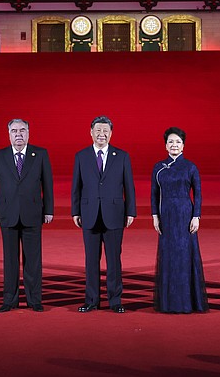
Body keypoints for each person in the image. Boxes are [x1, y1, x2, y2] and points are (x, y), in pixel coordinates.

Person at [0, 118, 54, 313]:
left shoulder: (40, 154)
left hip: (33, 213)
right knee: (10, 260)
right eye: (14, 131)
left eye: (22, 130)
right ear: (8, 134)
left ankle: (35, 299)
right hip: (7, 214)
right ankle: (10, 299)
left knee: (33, 260)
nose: (18, 134)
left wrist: (48, 209)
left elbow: (47, 184)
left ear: (28, 133)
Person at [72, 115, 136, 313]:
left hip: (115, 213)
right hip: (89, 213)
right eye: (98, 130)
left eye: (105, 131)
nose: (102, 134)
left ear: (111, 133)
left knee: (114, 260)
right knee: (91, 260)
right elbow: (77, 186)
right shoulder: (81, 156)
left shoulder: (122, 155)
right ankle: (91, 300)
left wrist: (130, 211)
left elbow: (129, 186)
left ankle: (115, 300)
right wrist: (75, 211)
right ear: (91, 132)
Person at [150, 127, 208, 313]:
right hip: (166, 215)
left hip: (185, 214)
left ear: (183, 145)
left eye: (178, 142)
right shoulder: (159, 167)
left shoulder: (190, 167)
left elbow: (198, 193)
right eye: (171, 142)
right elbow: (154, 194)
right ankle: (168, 303)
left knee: (184, 256)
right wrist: (155, 217)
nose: (174, 145)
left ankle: (187, 302)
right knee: (168, 257)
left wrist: (196, 216)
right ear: (166, 145)